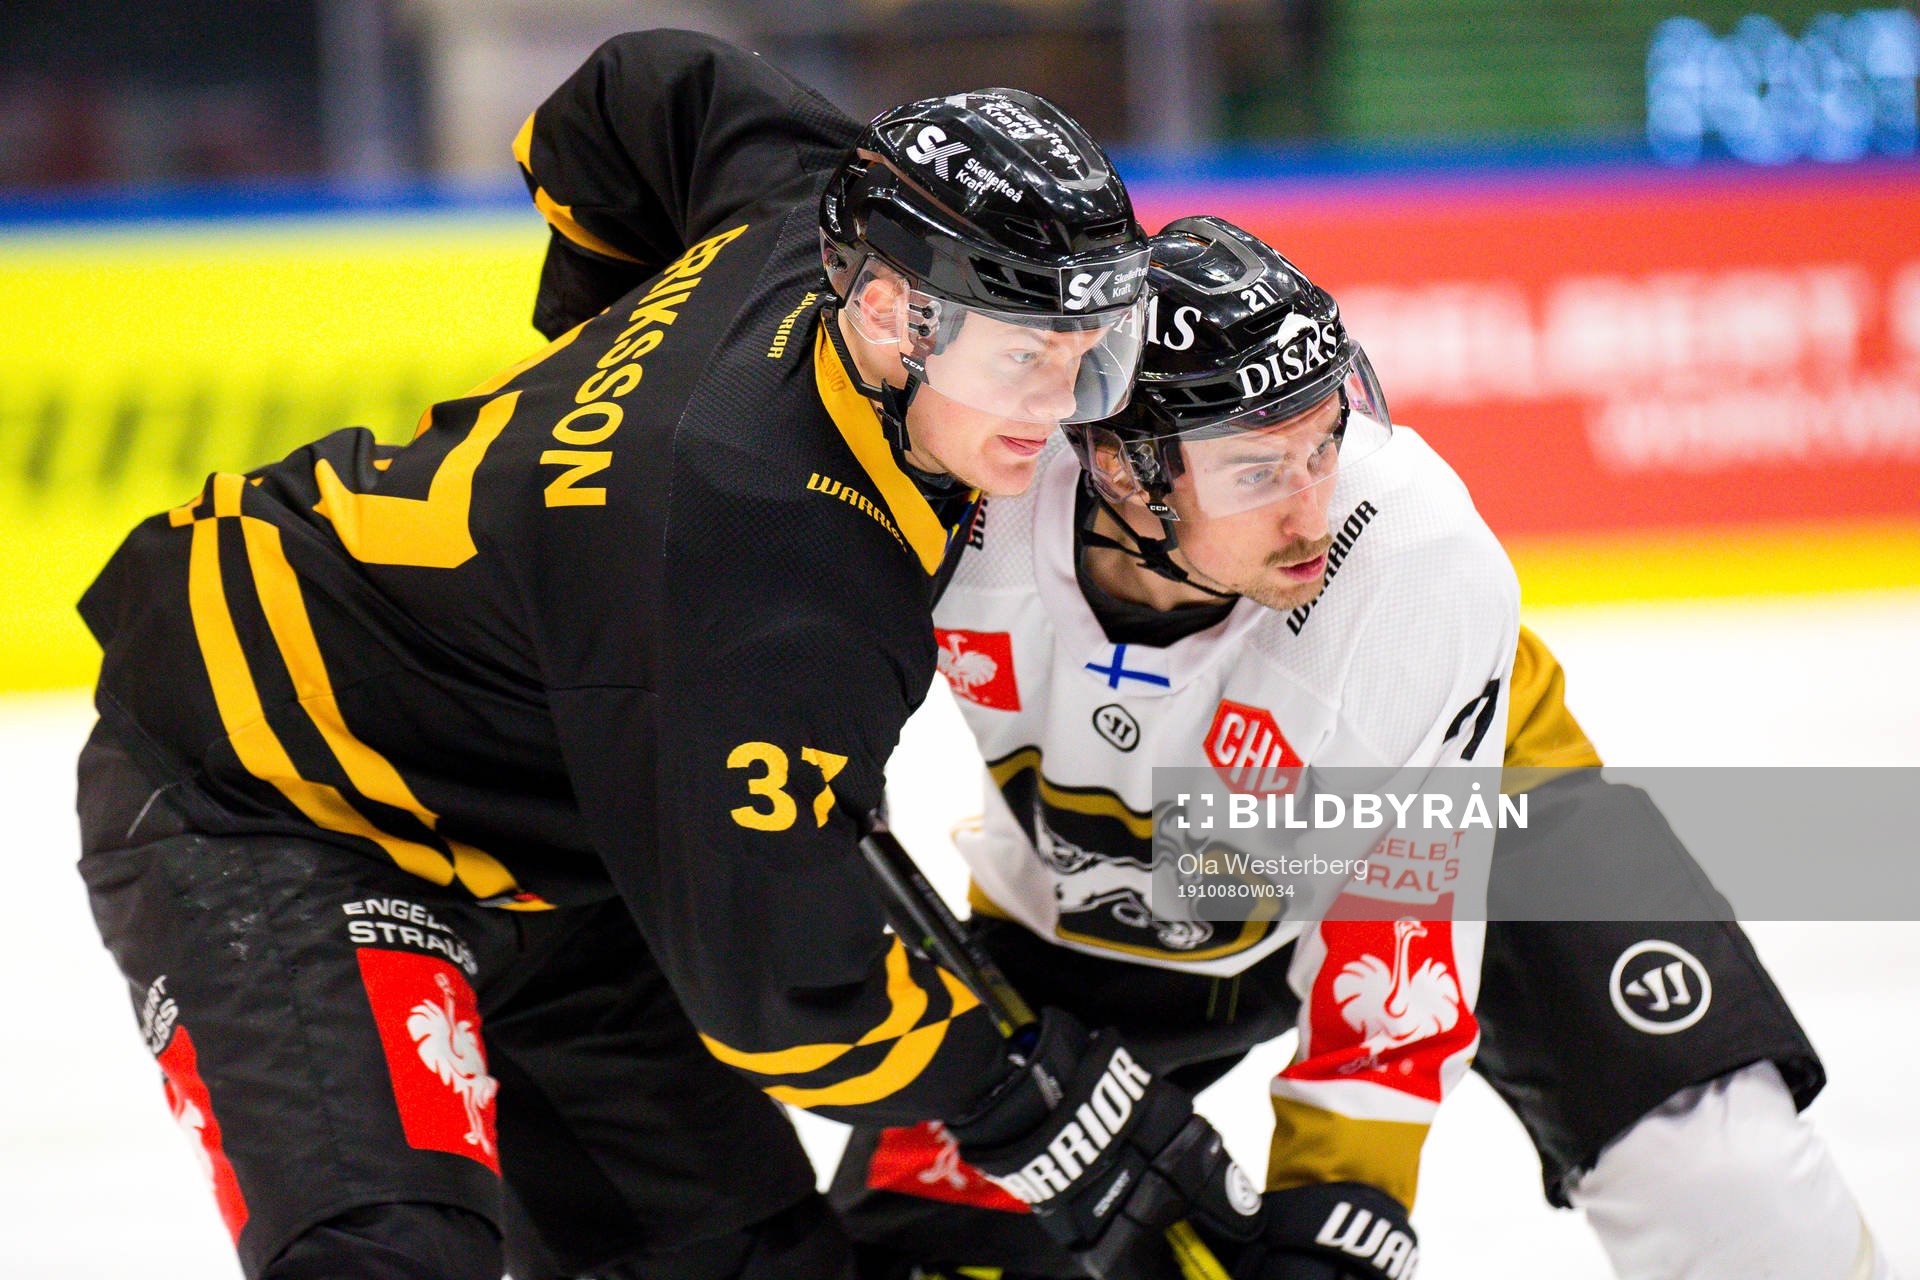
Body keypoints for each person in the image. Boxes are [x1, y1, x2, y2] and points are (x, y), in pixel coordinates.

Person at [74, 32, 1250, 1280]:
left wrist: (593, 355)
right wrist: (1014, 1087)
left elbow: (644, 91)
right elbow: (786, 992)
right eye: (1024, 354)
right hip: (279, 795)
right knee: (388, 1258)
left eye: (1091, 350)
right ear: (897, 311)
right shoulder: (775, 569)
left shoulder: (817, 207)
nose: (1063, 406)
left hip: (562, 822)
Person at [829, 217, 1895, 1280]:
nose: (1315, 511)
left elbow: (1400, 902)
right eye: (1257, 470)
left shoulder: (1415, 562)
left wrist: (1345, 1192)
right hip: (1096, 875)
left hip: (1486, 799)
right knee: (922, 1261)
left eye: (1327, 439)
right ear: (1118, 465)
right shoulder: (967, 504)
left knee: (1725, 1177)